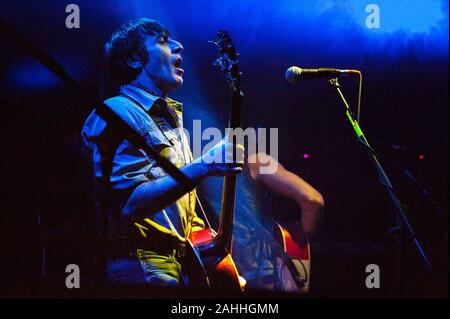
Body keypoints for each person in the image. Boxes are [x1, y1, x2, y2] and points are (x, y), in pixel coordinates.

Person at [82, 18, 244, 286]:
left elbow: (172, 212)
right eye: (163, 41)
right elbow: (127, 205)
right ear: (135, 59)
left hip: (177, 264)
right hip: (141, 263)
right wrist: (203, 165)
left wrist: (221, 265)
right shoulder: (117, 112)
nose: (179, 46)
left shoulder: (167, 119)